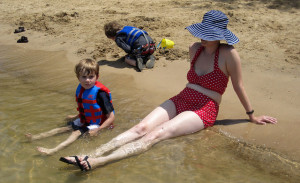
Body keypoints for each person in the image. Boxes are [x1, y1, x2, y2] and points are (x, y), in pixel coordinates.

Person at [61, 10, 277, 171]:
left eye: (209, 33)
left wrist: (252, 116)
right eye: (203, 32)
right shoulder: (194, 49)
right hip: (182, 97)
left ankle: (97, 162)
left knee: (157, 134)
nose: (203, 37)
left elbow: (238, 86)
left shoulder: (230, 54)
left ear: (220, 34)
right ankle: (87, 154)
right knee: (141, 127)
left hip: (205, 108)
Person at [25, 59, 115, 155]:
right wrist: (76, 116)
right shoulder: (81, 88)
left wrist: (98, 129)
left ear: (97, 76)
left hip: (98, 124)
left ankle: (52, 151)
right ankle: (35, 137)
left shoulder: (100, 94)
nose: (87, 80)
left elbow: (111, 117)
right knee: (65, 128)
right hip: (86, 119)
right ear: (78, 77)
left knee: (75, 133)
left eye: (91, 77)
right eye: (84, 77)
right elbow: (87, 108)